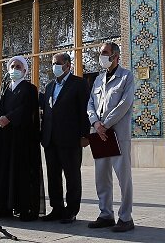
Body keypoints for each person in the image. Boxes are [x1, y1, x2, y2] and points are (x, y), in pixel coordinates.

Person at [86, 42, 135, 232]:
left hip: (117, 134)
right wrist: (96, 124)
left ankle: (126, 217)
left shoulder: (126, 77)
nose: (101, 56)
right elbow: (90, 103)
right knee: (102, 177)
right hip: (99, 134)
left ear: (115, 56)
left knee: (124, 177)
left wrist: (105, 124)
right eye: (100, 53)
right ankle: (106, 214)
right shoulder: (98, 79)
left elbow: (125, 104)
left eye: (104, 53)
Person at [0, 55, 44, 221]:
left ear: (25, 70)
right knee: (4, 172)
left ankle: (25, 208)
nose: (14, 70)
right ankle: (4, 207)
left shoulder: (29, 88)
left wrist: (10, 118)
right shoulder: (4, 88)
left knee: (23, 173)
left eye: (18, 67)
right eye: (12, 66)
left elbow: (27, 109)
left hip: (23, 139)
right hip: (5, 139)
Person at [41, 53, 90, 223]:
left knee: (72, 176)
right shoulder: (49, 87)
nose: (54, 66)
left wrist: (85, 135)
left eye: (58, 63)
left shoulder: (79, 84)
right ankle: (57, 208)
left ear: (68, 65)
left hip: (70, 139)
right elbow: (47, 112)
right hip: (50, 139)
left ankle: (71, 210)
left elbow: (85, 111)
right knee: (53, 176)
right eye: (53, 63)